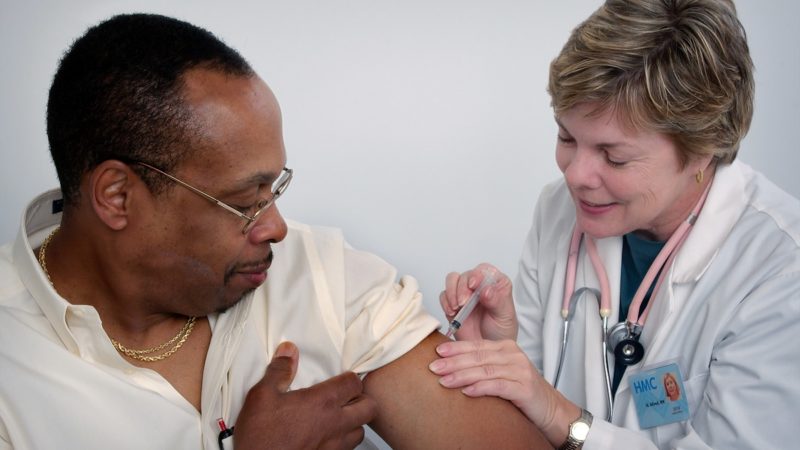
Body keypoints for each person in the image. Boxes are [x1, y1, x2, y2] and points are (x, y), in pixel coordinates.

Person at [0, 14, 549, 450]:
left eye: (275, 189)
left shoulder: (324, 276)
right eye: (243, 202)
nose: (278, 227)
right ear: (117, 196)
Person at [431, 0, 800, 449]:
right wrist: (500, 350)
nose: (575, 175)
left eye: (614, 156)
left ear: (703, 149)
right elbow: (524, 404)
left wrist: (558, 414)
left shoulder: (780, 269)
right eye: (566, 137)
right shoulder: (558, 211)